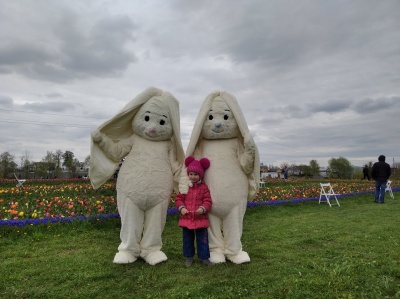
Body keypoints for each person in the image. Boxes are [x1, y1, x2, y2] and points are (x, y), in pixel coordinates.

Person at [175, 156, 214, 266]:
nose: (193, 177)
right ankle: (189, 257)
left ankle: (204, 258)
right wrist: (181, 208)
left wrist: (203, 208)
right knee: (187, 239)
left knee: (203, 239)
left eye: (196, 174)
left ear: (200, 175)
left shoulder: (204, 188)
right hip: (187, 218)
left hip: (200, 218)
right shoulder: (185, 187)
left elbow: (208, 200)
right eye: (191, 174)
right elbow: (179, 199)